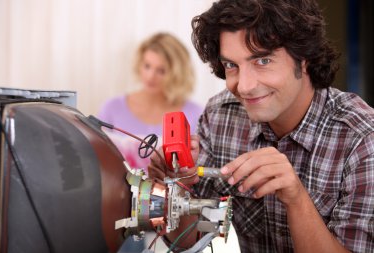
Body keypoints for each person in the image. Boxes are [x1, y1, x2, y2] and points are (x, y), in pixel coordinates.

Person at [148, 0, 374, 252]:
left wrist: (296, 199)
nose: (243, 86)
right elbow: (187, 239)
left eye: (262, 61)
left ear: (304, 58)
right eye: (232, 65)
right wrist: (178, 184)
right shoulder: (220, 116)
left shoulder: (362, 140)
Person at [98, 32, 203, 173]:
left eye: (161, 70)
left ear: (177, 73)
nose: (150, 76)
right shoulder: (111, 108)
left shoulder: (195, 114)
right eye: (147, 66)